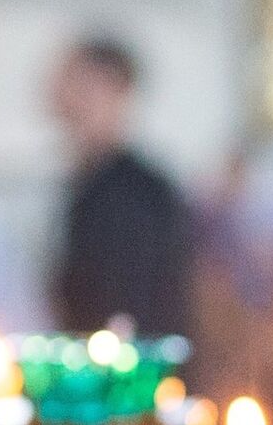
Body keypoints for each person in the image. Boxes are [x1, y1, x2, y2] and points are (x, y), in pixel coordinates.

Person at [47, 34, 195, 339]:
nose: (61, 94)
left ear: (116, 89)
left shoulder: (139, 193)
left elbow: (134, 307)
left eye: (80, 84)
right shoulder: (86, 184)